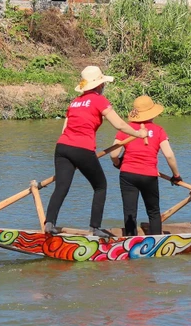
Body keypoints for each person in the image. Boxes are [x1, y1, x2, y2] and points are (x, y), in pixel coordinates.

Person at [45, 66, 148, 238]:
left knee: (61, 186)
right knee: (100, 186)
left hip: (62, 147)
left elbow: (65, 129)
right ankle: (95, 227)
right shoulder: (99, 100)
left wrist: (72, 157)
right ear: (99, 85)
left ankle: (49, 223)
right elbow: (119, 124)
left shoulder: (75, 102)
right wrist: (139, 134)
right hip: (82, 148)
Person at [110, 95, 180, 236]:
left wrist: (117, 164)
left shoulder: (126, 129)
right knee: (153, 211)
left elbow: (113, 154)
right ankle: (156, 240)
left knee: (129, 211)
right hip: (149, 175)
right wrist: (176, 175)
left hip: (127, 174)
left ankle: (129, 240)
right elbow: (169, 155)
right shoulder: (159, 130)